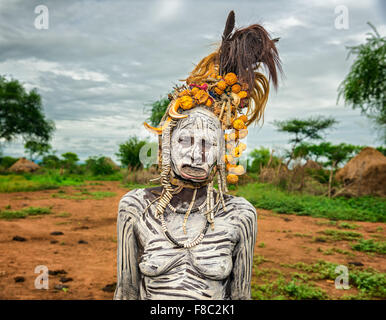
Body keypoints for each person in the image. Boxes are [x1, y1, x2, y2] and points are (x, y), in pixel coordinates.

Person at [114, 11, 281, 300]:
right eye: (186, 140)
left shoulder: (240, 215)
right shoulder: (134, 207)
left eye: (207, 144)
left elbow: (240, 296)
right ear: (166, 143)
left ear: (223, 153)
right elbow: (126, 292)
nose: (195, 155)